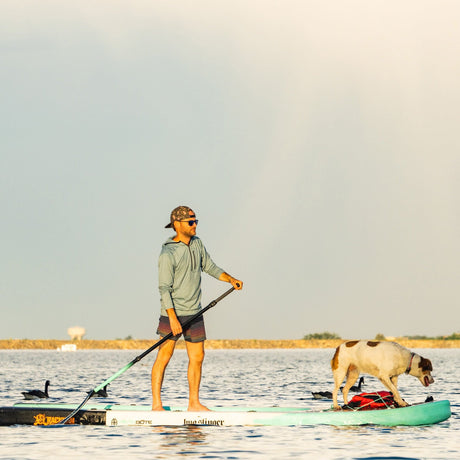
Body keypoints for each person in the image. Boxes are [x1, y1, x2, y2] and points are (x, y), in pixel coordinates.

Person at [151, 205, 243, 411]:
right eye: (191, 222)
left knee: (198, 357)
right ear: (177, 225)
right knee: (164, 356)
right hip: (172, 313)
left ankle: (194, 403)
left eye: (196, 221)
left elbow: (210, 266)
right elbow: (164, 288)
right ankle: (156, 405)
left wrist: (230, 279)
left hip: (195, 312)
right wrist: (172, 318)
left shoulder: (197, 243)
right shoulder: (167, 253)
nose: (195, 225)